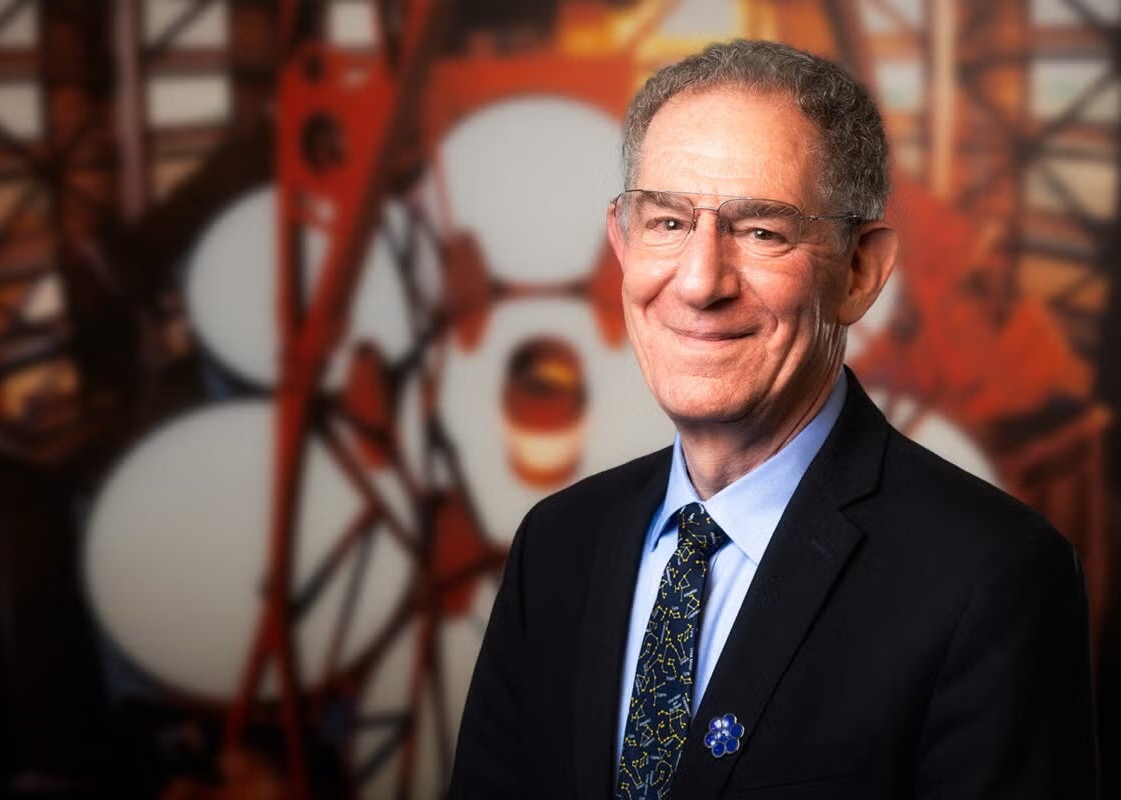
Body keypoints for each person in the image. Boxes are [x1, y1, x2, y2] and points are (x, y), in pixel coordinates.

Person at [447, 39, 1097, 799]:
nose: (699, 282)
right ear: (621, 245)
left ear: (860, 273)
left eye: (762, 232)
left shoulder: (991, 578)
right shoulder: (557, 547)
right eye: (666, 223)